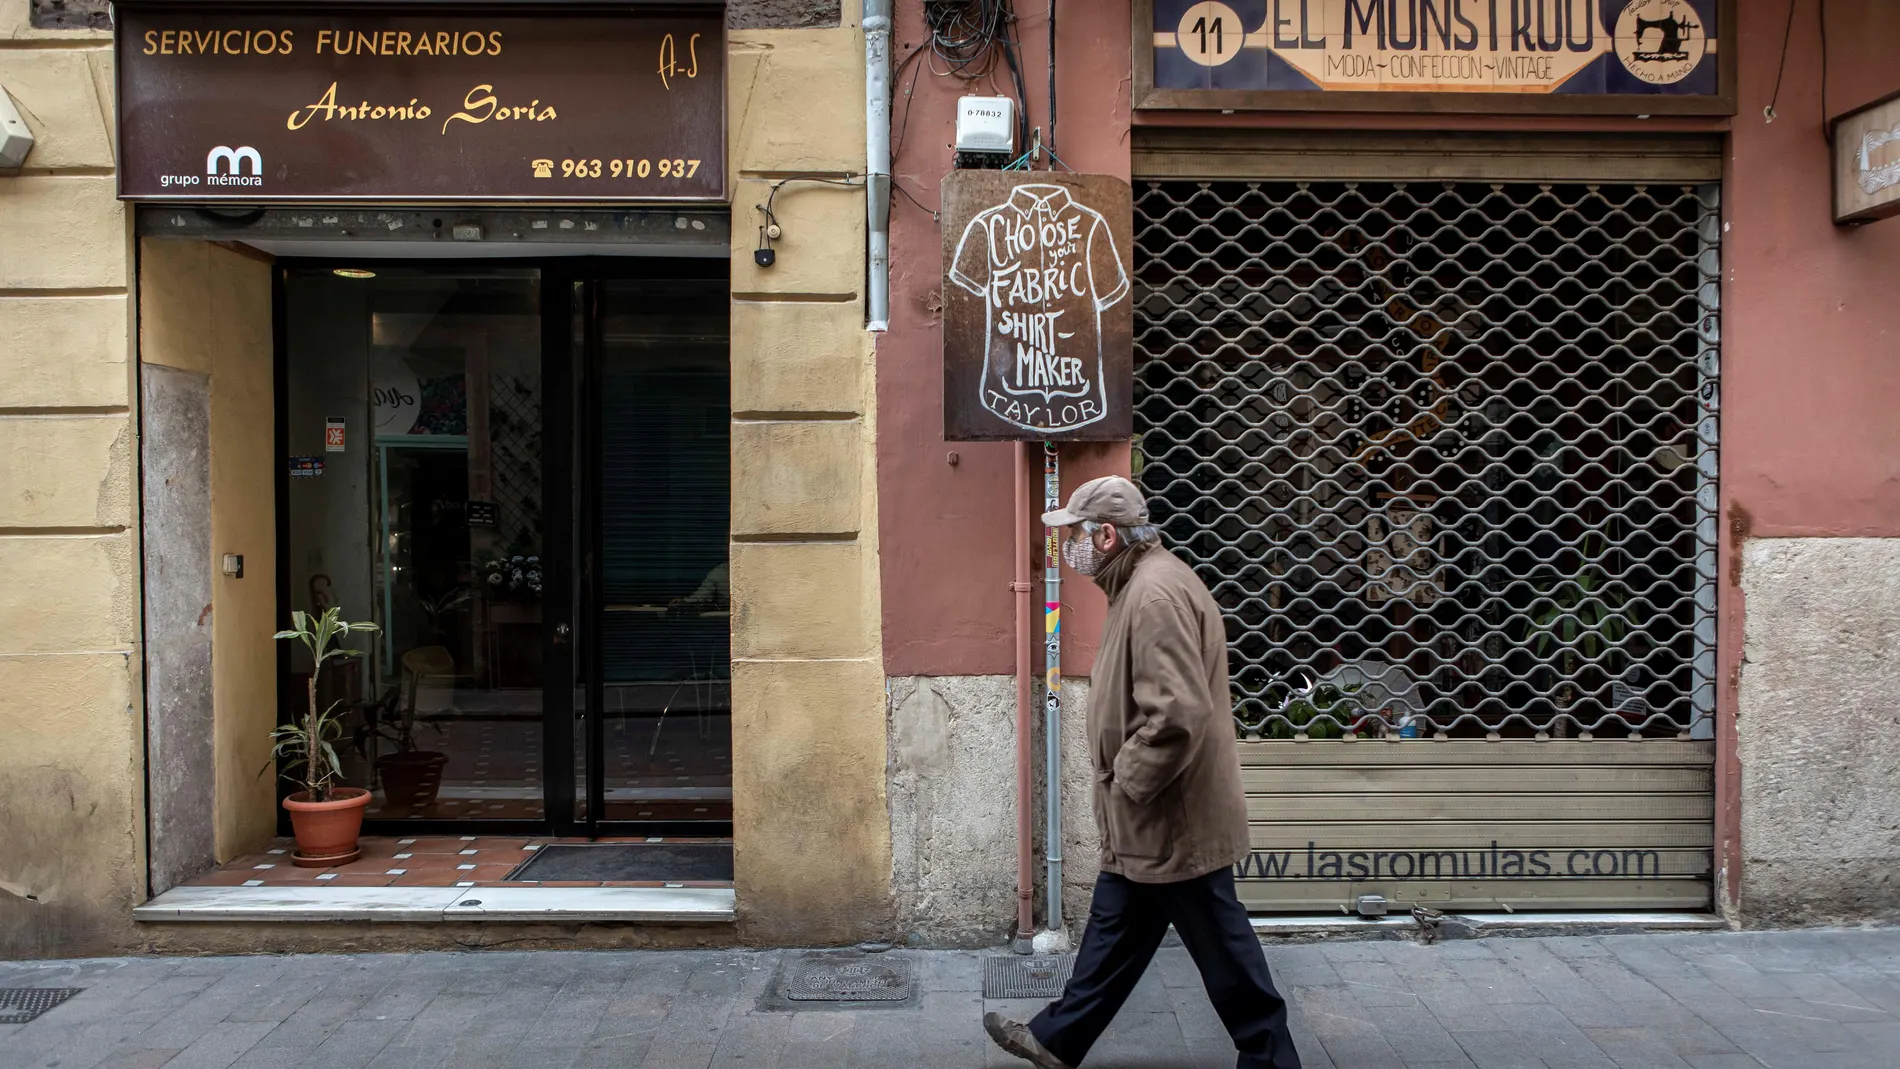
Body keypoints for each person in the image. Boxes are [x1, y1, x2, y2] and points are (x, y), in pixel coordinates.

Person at [983, 476, 1302, 1069]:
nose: (1069, 547)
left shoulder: (1153, 596)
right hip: (1153, 814)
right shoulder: (1140, 585)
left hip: (1169, 814)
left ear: (1105, 535)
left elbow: (1177, 712)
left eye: (1075, 534)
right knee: (1118, 928)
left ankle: (1272, 1057)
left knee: (1221, 946)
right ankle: (1057, 1039)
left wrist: (1127, 780)